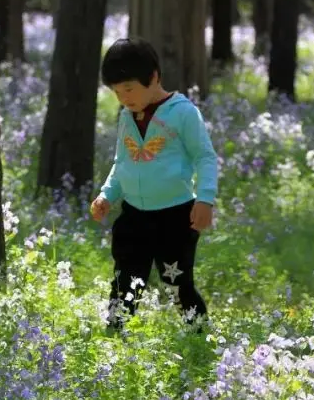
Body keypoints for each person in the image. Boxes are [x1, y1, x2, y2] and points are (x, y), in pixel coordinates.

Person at [89, 37, 219, 332]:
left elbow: (205, 157)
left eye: (130, 89)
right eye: (117, 92)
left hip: (175, 215)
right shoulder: (126, 116)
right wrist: (107, 195)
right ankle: (114, 332)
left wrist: (205, 199)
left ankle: (198, 332)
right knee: (125, 277)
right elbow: (122, 163)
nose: (124, 98)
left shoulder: (183, 112)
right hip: (134, 215)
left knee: (177, 280)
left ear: (154, 77)